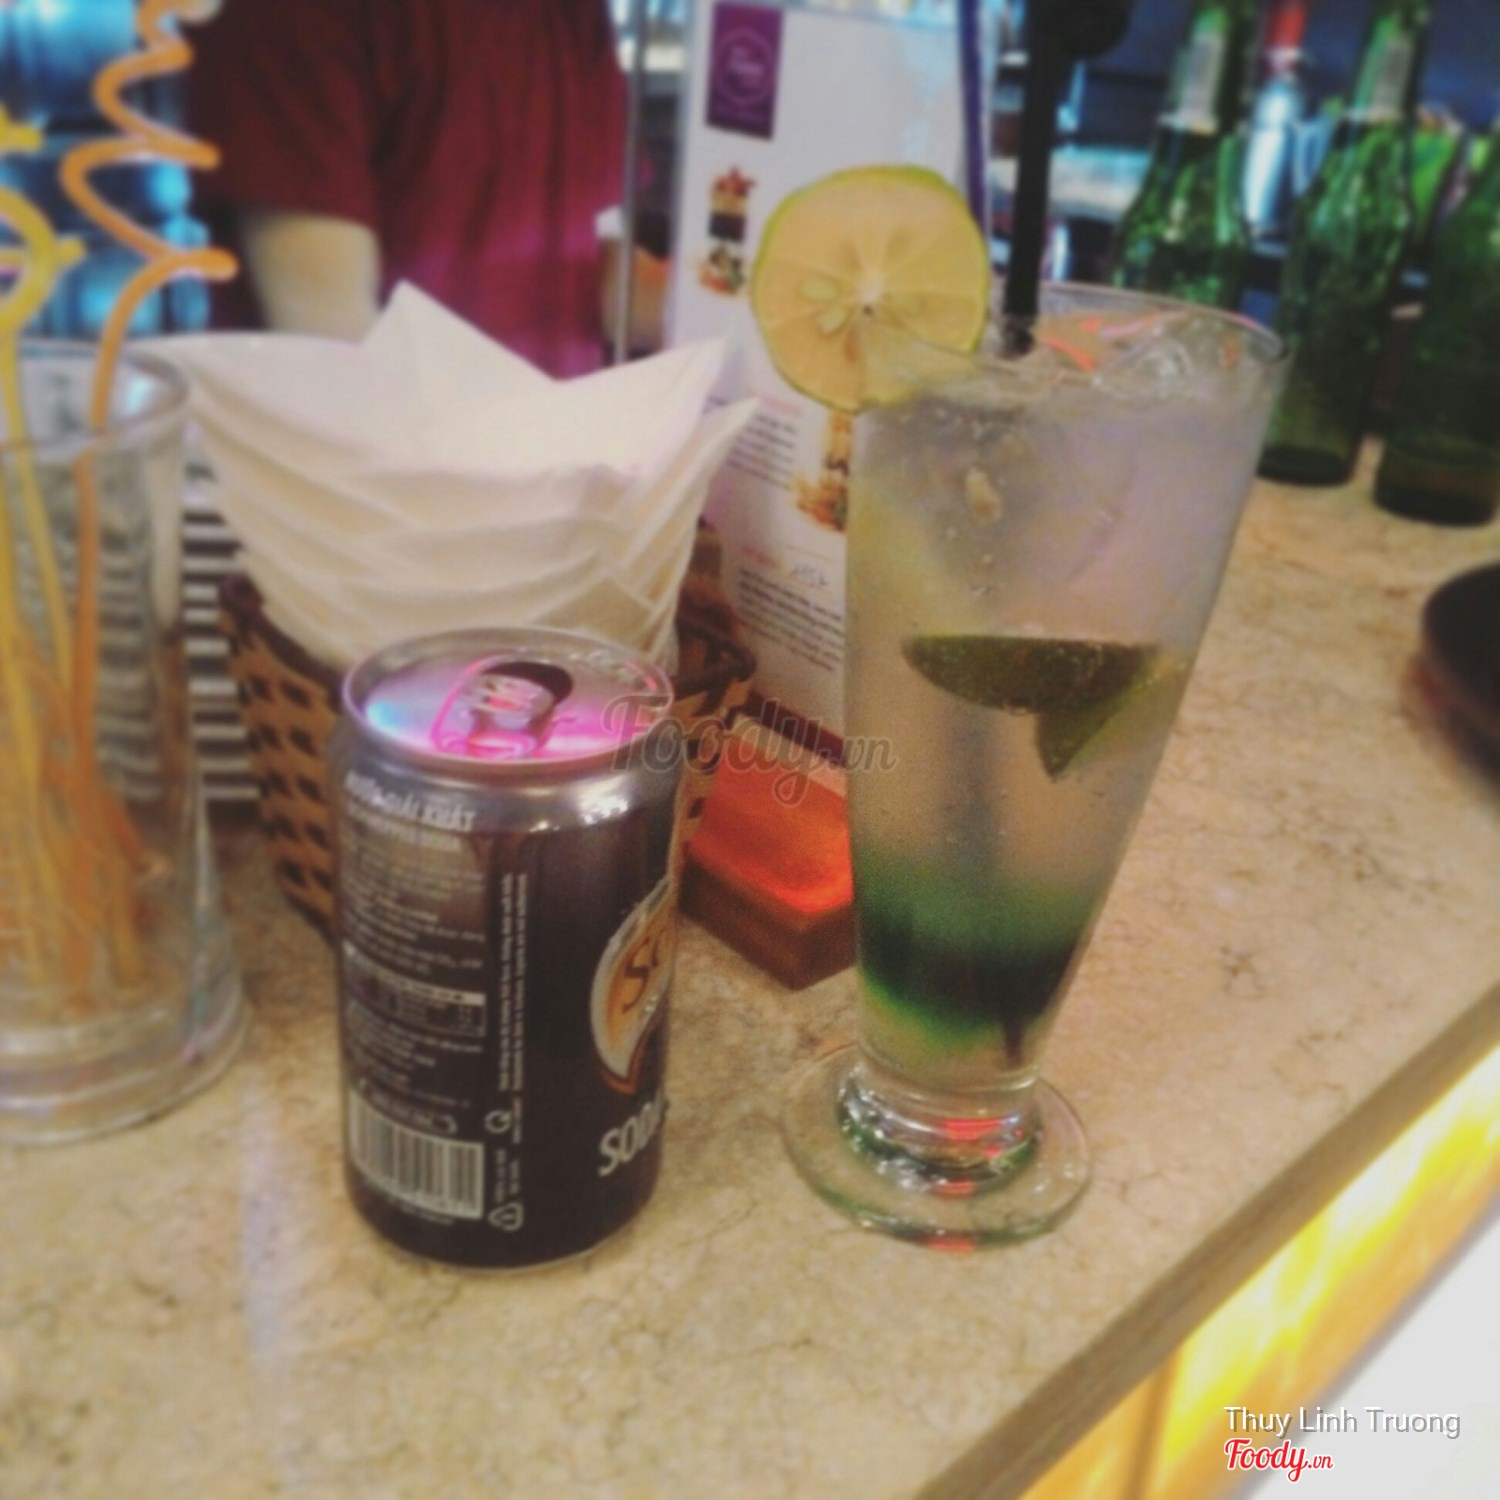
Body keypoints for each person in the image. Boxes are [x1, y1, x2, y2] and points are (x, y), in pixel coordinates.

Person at [186, 0, 663, 375]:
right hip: (389, 463)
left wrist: (696, 303)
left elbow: (581, 268)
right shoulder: (290, 13)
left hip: (549, 454)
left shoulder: (571, 11)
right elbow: (330, 345)